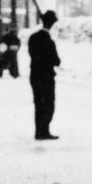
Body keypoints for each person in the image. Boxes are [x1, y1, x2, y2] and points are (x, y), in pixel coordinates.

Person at [28, 10, 61, 140]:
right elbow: (56, 60)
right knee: (48, 104)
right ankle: (44, 131)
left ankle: (39, 131)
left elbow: (32, 54)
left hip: (35, 75)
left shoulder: (33, 37)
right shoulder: (49, 41)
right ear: (52, 24)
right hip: (46, 77)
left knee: (38, 104)